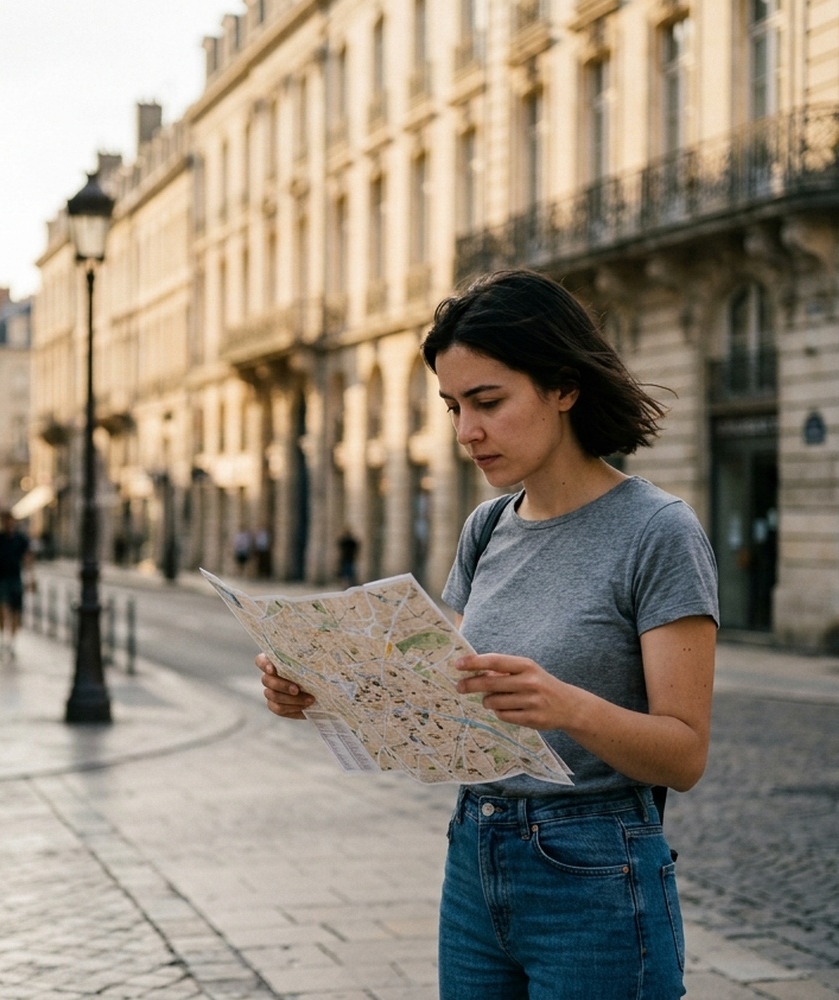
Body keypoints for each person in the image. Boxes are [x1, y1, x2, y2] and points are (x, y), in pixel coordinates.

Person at [256, 269, 719, 999]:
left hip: (597, 870)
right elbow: (445, 701)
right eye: (452, 406)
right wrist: (320, 690)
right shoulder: (487, 526)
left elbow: (685, 755)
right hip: (475, 851)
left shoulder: (657, 532)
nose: (468, 431)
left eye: (488, 402)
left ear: (563, 387)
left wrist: (568, 707)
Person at [0, 510, 33, 660]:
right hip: (1, 578)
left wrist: (30, 578)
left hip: (15, 578)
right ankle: (2, 638)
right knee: (1, 609)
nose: (8, 524)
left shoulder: (20, 539)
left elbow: (27, 558)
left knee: (15, 612)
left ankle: (11, 642)